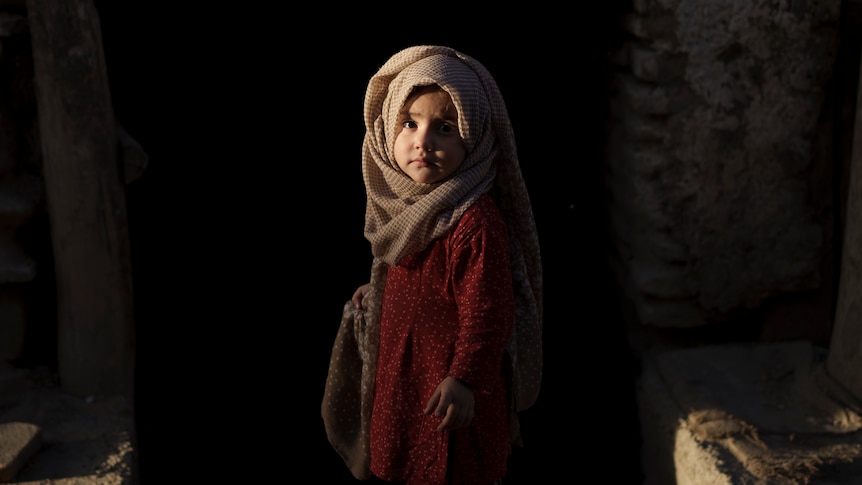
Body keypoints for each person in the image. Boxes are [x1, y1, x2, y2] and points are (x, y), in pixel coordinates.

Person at [322, 45, 543, 485]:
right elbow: (413, 274)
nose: (423, 141)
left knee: (453, 467)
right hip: (407, 382)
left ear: (474, 137)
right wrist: (380, 291)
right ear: (387, 128)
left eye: (444, 128)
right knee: (404, 461)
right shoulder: (405, 210)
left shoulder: (474, 222)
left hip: (450, 390)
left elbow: (489, 311)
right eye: (410, 123)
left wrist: (465, 379)